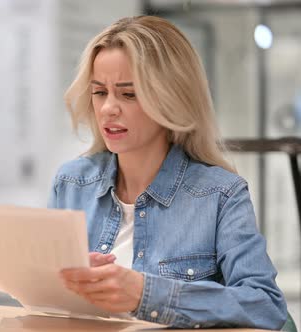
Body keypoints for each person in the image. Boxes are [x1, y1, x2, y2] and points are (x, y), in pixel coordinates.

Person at [51, 16, 288, 329]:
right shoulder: (71, 183)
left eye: (128, 94)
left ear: (171, 98)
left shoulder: (220, 194)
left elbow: (266, 306)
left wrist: (144, 295)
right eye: (99, 92)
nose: (108, 108)